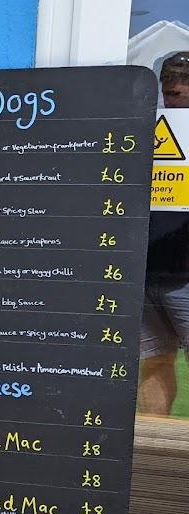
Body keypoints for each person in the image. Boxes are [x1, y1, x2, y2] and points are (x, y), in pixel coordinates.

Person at [140, 51, 189, 415]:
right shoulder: (144, 128)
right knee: (155, 359)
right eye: (169, 87)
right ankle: (153, 442)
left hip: (186, 275)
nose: (175, 92)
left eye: (184, 85)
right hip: (143, 270)